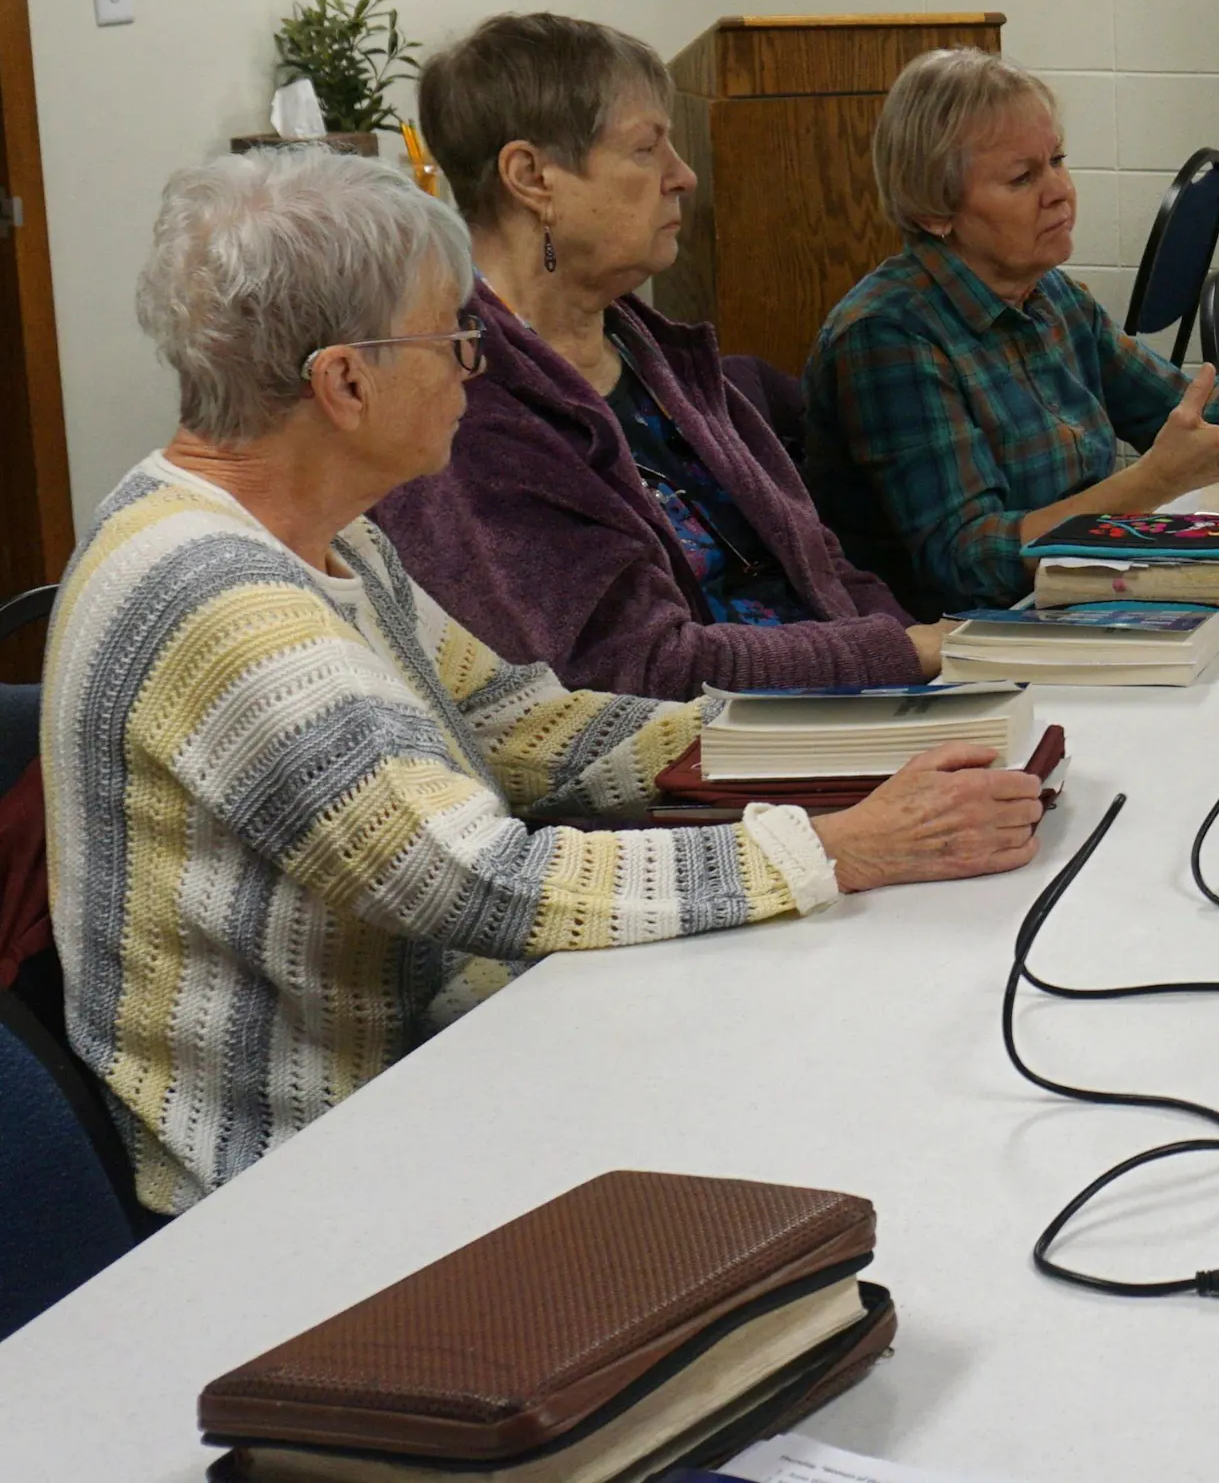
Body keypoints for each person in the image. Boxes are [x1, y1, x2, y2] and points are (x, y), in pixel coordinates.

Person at [50, 152, 1052, 1211]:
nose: (473, 370)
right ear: (345, 382)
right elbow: (482, 883)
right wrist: (839, 848)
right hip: (305, 1180)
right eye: (450, 341)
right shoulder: (219, 601)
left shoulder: (333, 539)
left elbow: (522, 720)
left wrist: (835, 748)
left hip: (442, 1075)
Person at [370, 12, 943, 700]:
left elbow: (825, 566)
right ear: (531, 176)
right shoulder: (464, 399)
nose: (684, 176)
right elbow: (629, 671)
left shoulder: (654, 351)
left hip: (838, 721)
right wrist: (901, 652)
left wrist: (958, 677)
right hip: (697, 775)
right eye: (648, 150)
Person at [805, 48, 1219, 617]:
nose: (1059, 190)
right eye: (1022, 177)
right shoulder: (889, 335)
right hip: (975, 641)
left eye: (1057, 160)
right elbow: (972, 565)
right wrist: (1152, 483)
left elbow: (1165, 402)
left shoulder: (1050, 294)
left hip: (1079, 589)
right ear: (935, 211)